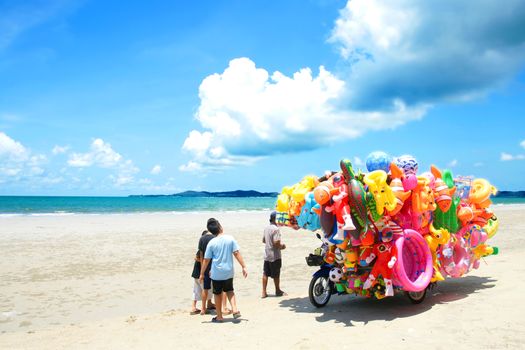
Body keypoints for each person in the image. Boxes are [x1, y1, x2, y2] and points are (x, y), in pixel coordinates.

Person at [200, 218, 247, 323]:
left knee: (217, 293)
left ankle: (219, 316)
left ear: (211, 232)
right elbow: (236, 253)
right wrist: (243, 266)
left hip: (216, 273)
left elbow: (206, 260)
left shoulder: (211, 243)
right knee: (230, 290)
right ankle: (235, 309)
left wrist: (202, 273)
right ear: (220, 227)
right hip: (228, 271)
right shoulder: (230, 239)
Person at [262, 211, 286, 298]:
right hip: (274, 255)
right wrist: (282, 246)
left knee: (265, 273)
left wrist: (270, 243)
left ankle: (264, 292)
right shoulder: (276, 229)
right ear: (274, 219)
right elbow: (276, 243)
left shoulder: (266, 228)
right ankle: (278, 291)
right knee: (276, 274)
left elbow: (264, 240)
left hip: (267, 254)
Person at [190, 231, 215, 314]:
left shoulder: (201, 249)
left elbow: (196, 257)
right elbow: (197, 258)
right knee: (207, 289)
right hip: (201, 273)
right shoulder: (205, 250)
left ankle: (196, 306)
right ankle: (204, 307)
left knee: (196, 290)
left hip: (196, 273)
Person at [198, 229, 216, 315]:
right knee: (218, 288)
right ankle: (222, 307)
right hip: (214, 266)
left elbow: (201, 255)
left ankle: (203, 308)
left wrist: (202, 268)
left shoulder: (202, 239)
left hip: (205, 266)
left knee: (205, 288)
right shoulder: (215, 237)